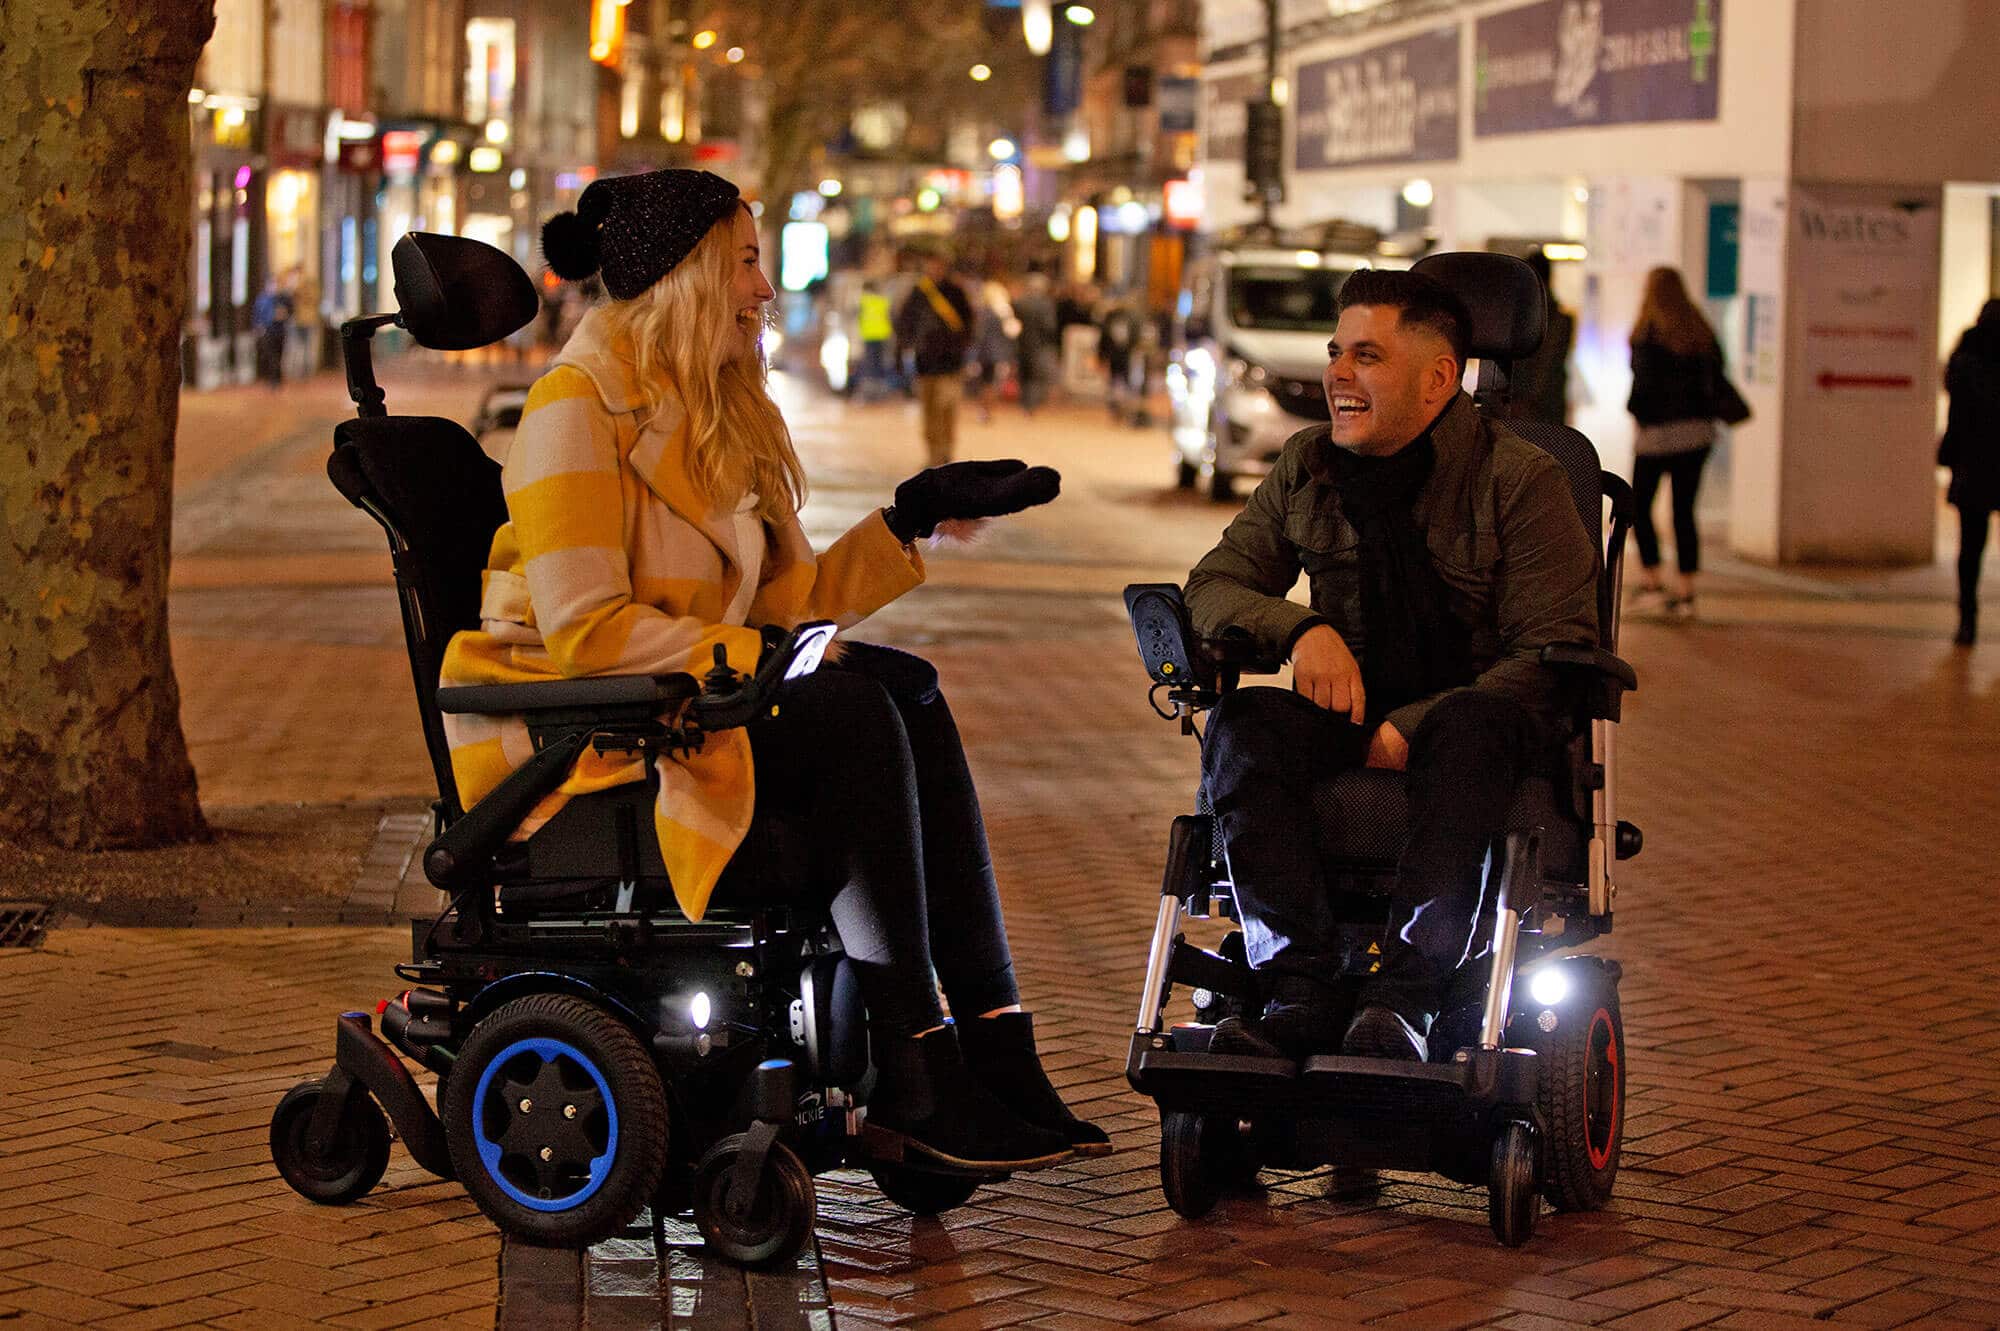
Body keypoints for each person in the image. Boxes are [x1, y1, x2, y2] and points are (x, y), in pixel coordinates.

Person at [438, 169, 1106, 1172]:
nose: (763, 288)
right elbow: (584, 631)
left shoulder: (717, 406)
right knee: (843, 710)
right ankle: (911, 1064)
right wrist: (758, 659)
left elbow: (783, 602)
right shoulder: (573, 408)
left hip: (686, 709)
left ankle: (995, 1042)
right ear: (684, 276)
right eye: (744, 263)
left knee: (905, 687)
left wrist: (909, 516)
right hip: (589, 746)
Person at [1185, 269, 1598, 1064]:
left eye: (1366, 355)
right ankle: (1297, 985)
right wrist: (1300, 629)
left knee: (1474, 725)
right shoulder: (1310, 465)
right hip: (1349, 708)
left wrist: (1411, 725)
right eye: (1337, 350)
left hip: (1477, 721)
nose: (1338, 372)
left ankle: (1405, 999)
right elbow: (1215, 585)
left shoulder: (1521, 480)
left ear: (1439, 377)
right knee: (1242, 724)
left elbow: (1553, 652)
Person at [1626, 266, 1729, 619]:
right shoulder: (1699, 331)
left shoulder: (1646, 333)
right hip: (1697, 435)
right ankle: (1686, 590)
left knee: (1639, 507)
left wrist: (1635, 411)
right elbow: (1717, 375)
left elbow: (1642, 386)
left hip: (1655, 436)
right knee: (1684, 512)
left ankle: (1652, 579)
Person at [1941, 299, 2000, 646]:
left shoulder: (1964, 363)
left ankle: (1968, 619)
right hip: (1983, 462)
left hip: (1974, 465)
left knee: (1970, 549)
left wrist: (1950, 455)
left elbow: (1957, 419)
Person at [895, 249, 975, 465]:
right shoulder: (919, 293)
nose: (935, 269)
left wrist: (959, 348)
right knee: (929, 411)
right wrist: (907, 347)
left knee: (946, 410)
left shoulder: (955, 293)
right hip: (926, 363)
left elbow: (969, 324)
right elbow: (904, 323)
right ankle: (932, 454)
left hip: (950, 365)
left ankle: (945, 452)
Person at [1504, 251, 1573, 426]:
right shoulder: (1561, 319)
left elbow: (1545, 365)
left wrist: (1522, 401)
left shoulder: (1518, 318)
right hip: (1548, 406)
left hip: (1528, 407)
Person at [968, 276, 1018, 424]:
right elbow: (1010, 333)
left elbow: (979, 334)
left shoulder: (984, 311)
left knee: (985, 383)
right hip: (997, 353)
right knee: (991, 383)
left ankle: (984, 411)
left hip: (985, 352)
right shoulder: (1003, 311)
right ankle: (987, 411)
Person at [1012, 273, 1059, 415]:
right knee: (1035, 376)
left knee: (1024, 375)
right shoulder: (1045, 304)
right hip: (1038, 346)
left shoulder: (1019, 303)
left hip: (1021, 344)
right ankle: (1030, 405)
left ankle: (1025, 403)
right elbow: (1049, 327)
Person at [1097, 295, 1143, 425]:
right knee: (1114, 382)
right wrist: (1102, 355)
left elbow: (1136, 337)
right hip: (1114, 355)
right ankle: (1115, 410)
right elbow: (1104, 337)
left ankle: (1126, 411)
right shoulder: (1111, 318)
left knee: (1127, 383)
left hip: (1127, 355)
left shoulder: (1133, 318)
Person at [855, 279, 895, 401]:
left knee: (870, 364)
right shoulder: (883, 301)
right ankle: (881, 389)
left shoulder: (863, 301)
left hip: (869, 336)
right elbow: (890, 316)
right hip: (883, 335)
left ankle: (871, 390)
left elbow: (857, 316)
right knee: (881, 362)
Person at [251, 276, 293, 389]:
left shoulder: (282, 299)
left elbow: (290, 311)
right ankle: (272, 379)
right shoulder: (262, 299)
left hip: (280, 331)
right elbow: (256, 314)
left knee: (279, 355)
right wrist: (258, 326)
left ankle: (277, 379)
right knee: (271, 356)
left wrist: (284, 315)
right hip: (268, 330)